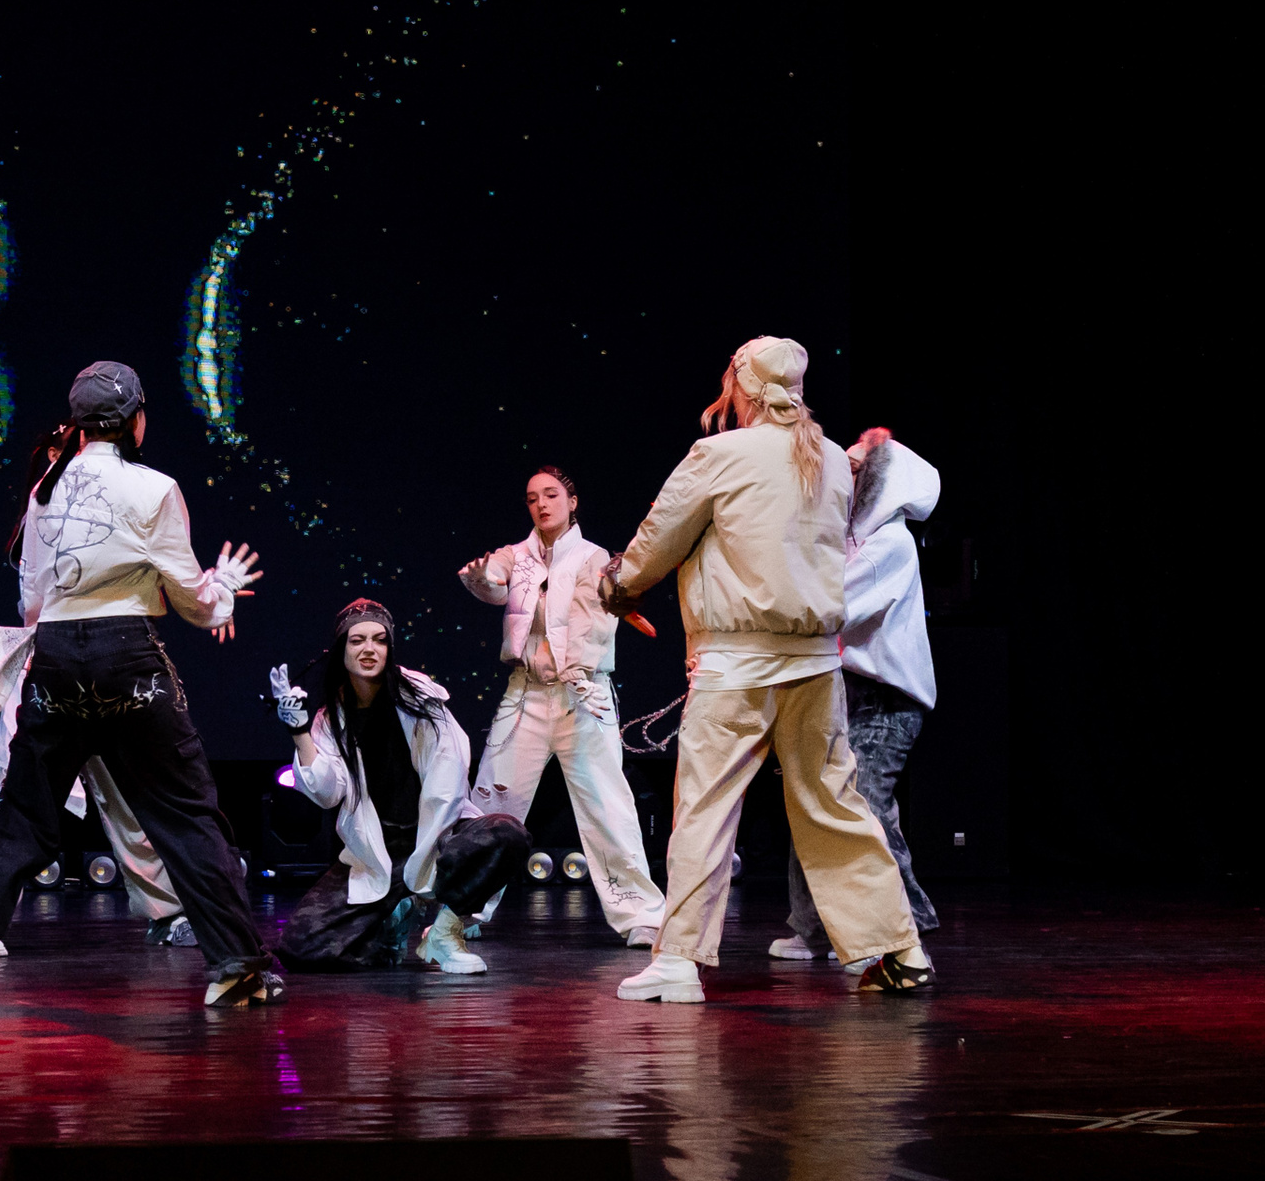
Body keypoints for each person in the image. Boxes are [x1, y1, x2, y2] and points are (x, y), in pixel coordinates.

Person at [0, 361, 281, 1007]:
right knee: (184, 813)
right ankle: (237, 967)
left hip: (56, 655)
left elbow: (32, 598)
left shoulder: (45, 489)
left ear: (80, 422)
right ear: (136, 420)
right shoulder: (154, 488)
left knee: (18, 815)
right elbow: (195, 603)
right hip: (125, 655)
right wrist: (223, 590)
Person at [601, 337, 934, 1003]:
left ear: (742, 386)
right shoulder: (831, 460)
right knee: (833, 804)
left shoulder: (721, 453)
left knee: (705, 808)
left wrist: (618, 585)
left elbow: (658, 540)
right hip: (815, 665)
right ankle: (900, 949)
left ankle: (679, 961)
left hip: (737, 665)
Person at [0, 422, 193, 953]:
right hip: (51, 670)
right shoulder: (42, 511)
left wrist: (199, 597)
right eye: (58, 453)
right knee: (12, 803)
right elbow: (34, 601)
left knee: (126, 798)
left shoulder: (111, 503)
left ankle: (167, 911)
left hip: (106, 667)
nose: (68, 462)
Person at [457, 468, 664, 946]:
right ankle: (464, 908)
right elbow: (495, 582)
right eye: (532, 498)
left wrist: (580, 666)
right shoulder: (516, 555)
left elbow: (608, 606)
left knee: (607, 805)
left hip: (583, 695)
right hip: (526, 693)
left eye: (551, 495)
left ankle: (640, 914)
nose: (541, 504)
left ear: (572, 502)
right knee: (491, 803)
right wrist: (481, 580)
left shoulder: (594, 558)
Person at [269, 599, 532, 973]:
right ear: (341, 649)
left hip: (437, 835)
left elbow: (448, 781)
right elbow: (327, 793)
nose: (369, 649)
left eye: (379, 640)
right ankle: (392, 920)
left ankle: (444, 934)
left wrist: (426, 860)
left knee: (507, 833)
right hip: (377, 852)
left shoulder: (421, 698)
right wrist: (299, 732)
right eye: (357, 640)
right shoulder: (330, 718)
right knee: (301, 947)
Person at [770, 428, 942, 966]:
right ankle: (813, 929)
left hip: (885, 697)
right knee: (813, 802)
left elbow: (836, 605)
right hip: (842, 689)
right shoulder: (845, 539)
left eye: (854, 465)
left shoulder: (890, 543)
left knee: (861, 806)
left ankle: (901, 928)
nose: (841, 471)